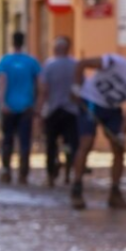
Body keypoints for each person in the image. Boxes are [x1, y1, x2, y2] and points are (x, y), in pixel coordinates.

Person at [69, 51, 126, 210]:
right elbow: (82, 64)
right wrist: (76, 86)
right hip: (90, 102)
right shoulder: (114, 62)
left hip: (112, 110)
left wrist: (122, 133)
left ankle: (115, 192)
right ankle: (77, 188)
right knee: (86, 142)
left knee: (119, 149)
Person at [0, 32, 41, 184]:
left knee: (7, 140)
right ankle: (23, 174)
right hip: (26, 107)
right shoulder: (31, 61)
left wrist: (2, 103)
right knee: (24, 141)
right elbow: (38, 85)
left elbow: (1, 83)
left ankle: (6, 171)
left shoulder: (5, 61)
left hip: (9, 107)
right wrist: (36, 104)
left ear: (12, 42)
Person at [37, 35, 81, 186]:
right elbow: (81, 88)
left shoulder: (49, 65)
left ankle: (50, 176)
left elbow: (44, 90)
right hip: (71, 111)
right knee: (70, 143)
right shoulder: (75, 64)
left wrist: (40, 111)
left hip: (53, 111)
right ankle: (68, 174)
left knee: (51, 144)